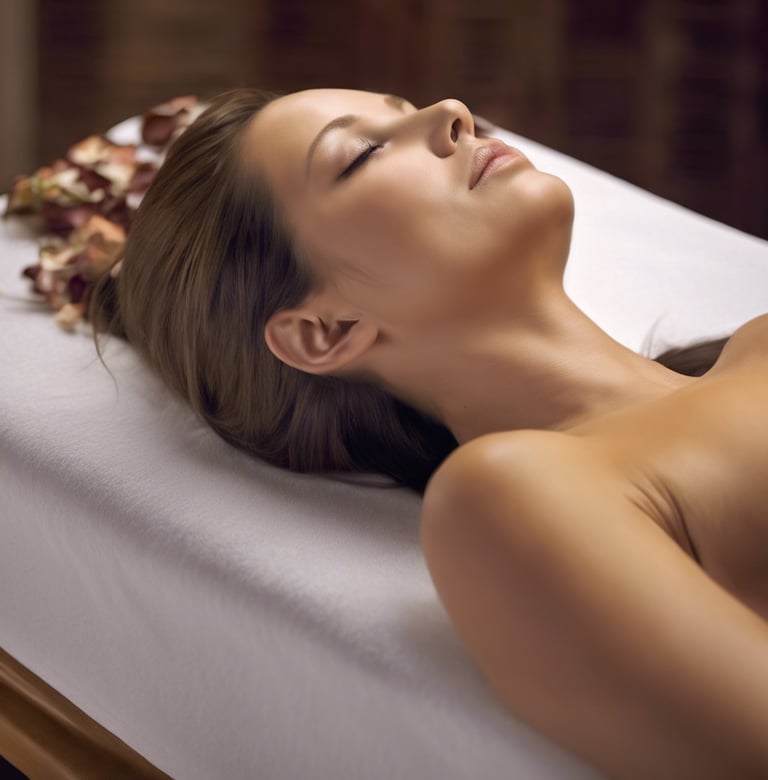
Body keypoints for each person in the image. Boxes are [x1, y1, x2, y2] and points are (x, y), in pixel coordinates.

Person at [91, 88, 768, 779]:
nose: (450, 110)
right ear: (326, 330)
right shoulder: (515, 494)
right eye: (363, 154)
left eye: (403, 105)